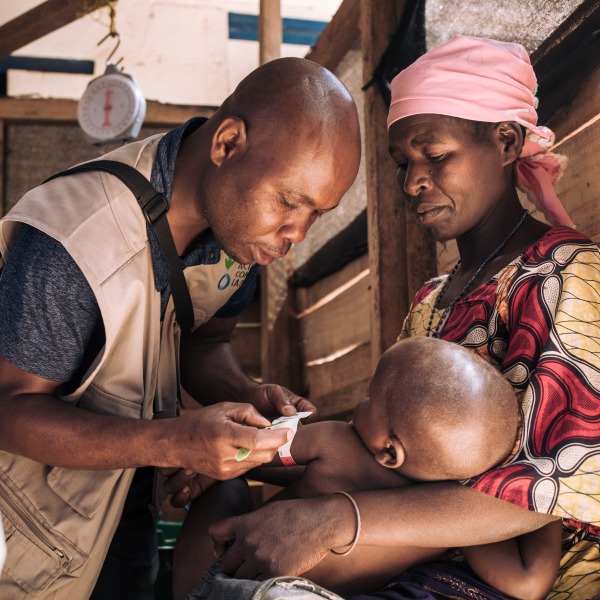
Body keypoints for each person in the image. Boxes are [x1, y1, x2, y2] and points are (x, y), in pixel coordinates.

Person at [203, 36, 600, 599]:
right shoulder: (433, 301)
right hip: (420, 565)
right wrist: (236, 457)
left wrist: (340, 521)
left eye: (434, 155)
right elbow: (379, 450)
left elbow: (551, 490)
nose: (413, 181)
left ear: (507, 141)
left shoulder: (564, 276)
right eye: (402, 163)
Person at [0, 56, 361, 599]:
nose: (296, 235)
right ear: (227, 144)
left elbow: (205, 342)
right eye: (289, 201)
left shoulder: (239, 234)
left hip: (124, 513)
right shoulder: (72, 241)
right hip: (26, 535)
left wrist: (245, 395)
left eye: (318, 214)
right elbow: (8, 412)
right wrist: (175, 442)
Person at [173, 336, 562, 600]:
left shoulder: (336, 441)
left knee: (227, 486)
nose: (359, 405)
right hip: (281, 594)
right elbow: (528, 581)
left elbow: (252, 450)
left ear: (390, 451)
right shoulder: (451, 523)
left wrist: (207, 470)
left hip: (213, 572)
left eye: (368, 397)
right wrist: (556, 506)